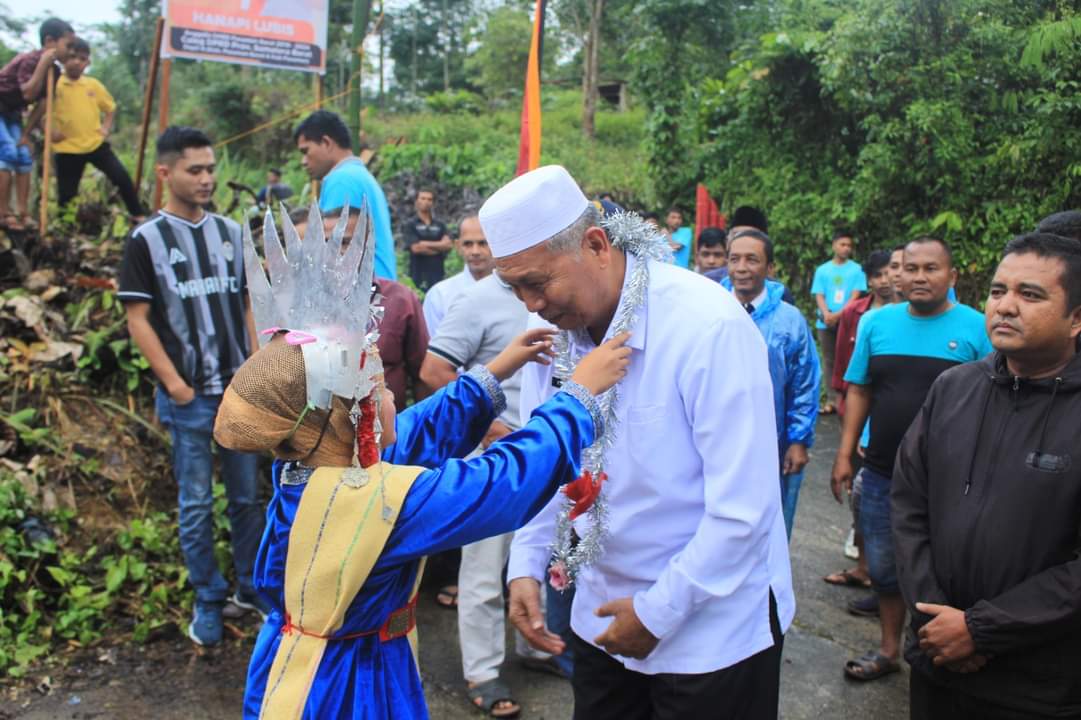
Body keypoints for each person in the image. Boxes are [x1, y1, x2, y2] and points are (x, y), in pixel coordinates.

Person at [216, 204, 632, 719]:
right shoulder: (376, 505)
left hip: (304, 662)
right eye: (381, 392)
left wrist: (497, 369)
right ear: (356, 418)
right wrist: (578, 398)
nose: (394, 397)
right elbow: (499, 485)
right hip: (341, 688)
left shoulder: (315, 464)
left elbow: (414, 431)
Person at [492, 166, 792, 720]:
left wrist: (658, 612)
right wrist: (526, 567)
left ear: (596, 244)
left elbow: (743, 511)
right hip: (601, 616)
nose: (530, 304)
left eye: (537, 282)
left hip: (711, 630)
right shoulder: (556, 340)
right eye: (515, 289)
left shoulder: (708, 327)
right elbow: (548, 461)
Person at [894, 233, 1081, 719]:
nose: (1006, 307)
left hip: (1035, 684)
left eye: (1031, 295)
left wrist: (981, 630)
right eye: (998, 291)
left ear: (1077, 318)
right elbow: (909, 506)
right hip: (937, 662)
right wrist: (934, 620)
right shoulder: (955, 387)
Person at [118, 126, 267, 646]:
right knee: (197, 501)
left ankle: (251, 588)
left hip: (238, 393)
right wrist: (177, 387)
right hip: (189, 399)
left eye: (210, 169)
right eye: (195, 170)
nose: (206, 179)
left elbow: (249, 303)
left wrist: (255, 369)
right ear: (166, 173)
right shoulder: (146, 241)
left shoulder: (230, 232)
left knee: (247, 498)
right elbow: (137, 318)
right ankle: (208, 598)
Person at [830, 236, 992, 682]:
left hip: (954, 480)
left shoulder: (978, 328)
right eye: (911, 268)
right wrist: (844, 454)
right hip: (882, 471)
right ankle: (888, 650)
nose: (918, 277)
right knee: (883, 567)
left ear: (952, 276)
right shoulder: (876, 324)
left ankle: (939, 651)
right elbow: (859, 388)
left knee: (943, 570)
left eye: (931, 269)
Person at [419, 267, 553, 717]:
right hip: (494, 456)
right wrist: (491, 426)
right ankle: (483, 671)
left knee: (542, 558)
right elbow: (434, 369)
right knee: (483, 566)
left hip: (545, 451)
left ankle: (537, 647)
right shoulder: (477, 300)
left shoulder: (552, 286)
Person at [723, 228, 820, 538]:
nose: (741, 268)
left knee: (771, 525)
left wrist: (797, 439)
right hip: (716, 437)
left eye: (752, 259)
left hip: (773, 439)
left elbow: (804, 383)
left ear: (770, 268)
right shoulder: (708, 310)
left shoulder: (790, 321)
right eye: (734, 259)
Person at [823, 250, 898, 614]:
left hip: (899, 438)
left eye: (893, 271)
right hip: (863, 425)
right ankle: (867, 568)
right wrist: (842, 405)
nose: (889, 279)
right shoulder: (859, 315)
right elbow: (846, 371)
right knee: (862, 498)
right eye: (882, 273)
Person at [324, 205, 430, 413]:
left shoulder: (400, 301)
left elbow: (421, 376)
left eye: (345, 242)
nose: (334, 251)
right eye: (327, 242)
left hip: (386, 435)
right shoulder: (304, 306)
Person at [293, 110, 396, 279]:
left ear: (326, 142)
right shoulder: (360, 176)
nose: (303, 161)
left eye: (306, 151)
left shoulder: (342, 181)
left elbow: (333, 256)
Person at [51, 38, 145, 219]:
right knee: (66, 196)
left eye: (82, 58)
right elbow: (40, 110)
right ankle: (65, 229)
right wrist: (49, 132)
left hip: (95, 144)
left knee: (121, 178)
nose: (77, 62)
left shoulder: (92, 85)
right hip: (67, 148)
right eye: (72, 57)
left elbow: (110, 107)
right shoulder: (55, 84)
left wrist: (105, 128)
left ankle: (138, 215)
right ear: (64, 59)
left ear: (88, 62)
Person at [0, 18, 74, 231]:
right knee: (6, 152)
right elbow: (29, 92)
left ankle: (22, 212)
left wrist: (26, 133)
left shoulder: (56, 72)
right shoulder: (31, 60)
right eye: (67, 46)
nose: (70, 52)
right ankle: (3, 213)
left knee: (23, 156)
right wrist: (43, 64)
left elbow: (42, 105)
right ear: (50, 41)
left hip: (13, 115)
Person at [812, 230, 867, 414]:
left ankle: (848, 398)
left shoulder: (857, 269)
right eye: (842, 244)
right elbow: (819, 294)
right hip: (825, 321)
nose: (846, 248)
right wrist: (827, 314)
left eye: (849, 246)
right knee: (828, 360)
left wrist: (839, 315)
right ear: (834, 245)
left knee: (848, 357)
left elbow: (855, 295)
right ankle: (831, 400)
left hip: (848, 320)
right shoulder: (823, 270)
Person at [422, 215, 495, 336]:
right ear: (458, 246)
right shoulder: (439, 296)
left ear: (495, 243)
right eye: (468, 244)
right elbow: (431, 347)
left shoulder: (515, 291)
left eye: (483, 243)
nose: (475, 252)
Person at [404, 188, 452, 291]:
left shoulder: (440, 225)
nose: (426, 202)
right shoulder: (411, 224)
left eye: (429, 199)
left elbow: (448, 245)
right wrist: (439, 247)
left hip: (438, 274)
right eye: (423, 198)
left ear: (433, 202)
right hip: (417, 274)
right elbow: (416, 248)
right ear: (417, 201)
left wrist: (424, 243)